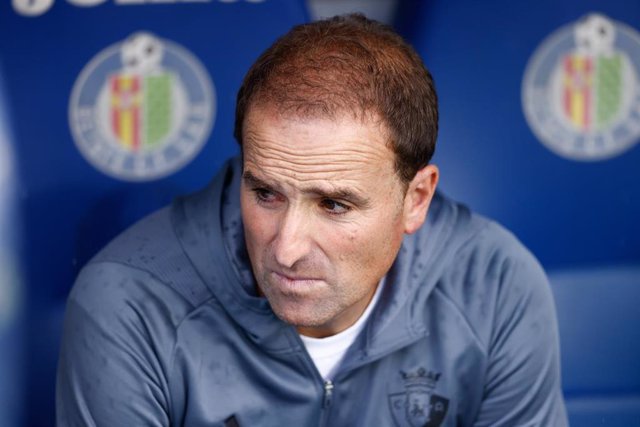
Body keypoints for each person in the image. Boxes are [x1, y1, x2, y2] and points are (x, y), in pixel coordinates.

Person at [57, 14, 567, 427]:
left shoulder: (495, 286)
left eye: (334, 205)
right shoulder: (128, 301)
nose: (286, 249)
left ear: (416, 199)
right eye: (265, 193)